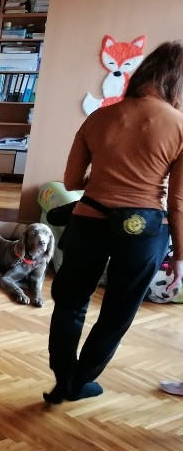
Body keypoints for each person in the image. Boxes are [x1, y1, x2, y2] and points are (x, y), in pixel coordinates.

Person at [44, 41, 183, 404]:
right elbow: (178, 203)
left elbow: (71, 182)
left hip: (89, 220)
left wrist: (104, 179)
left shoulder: (98, 117)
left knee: (70, 303)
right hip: (143, 230)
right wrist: (180, 257)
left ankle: (62, 379)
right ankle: (81, 381)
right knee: (118, 312)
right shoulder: (179, 125)